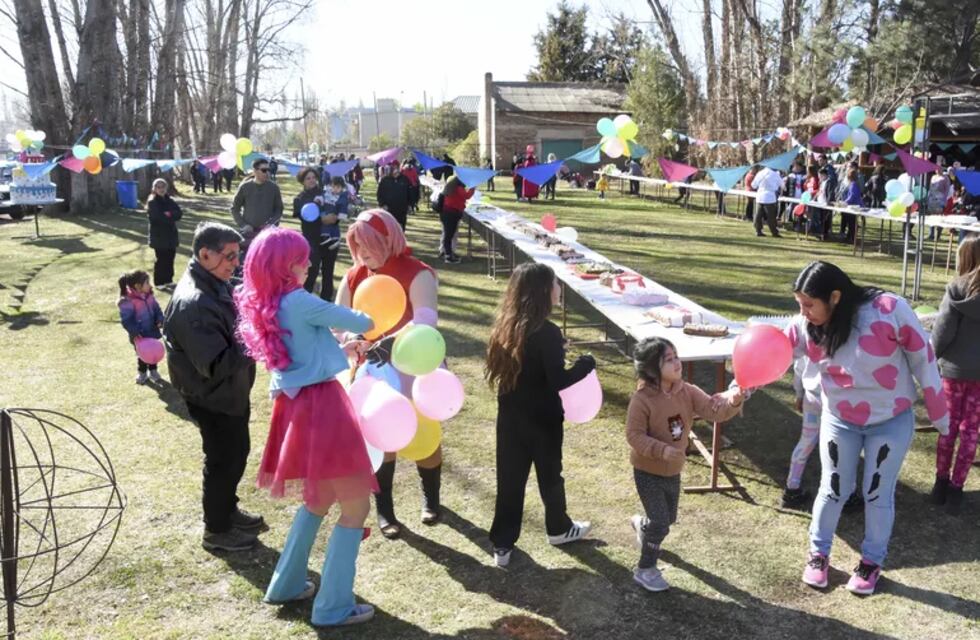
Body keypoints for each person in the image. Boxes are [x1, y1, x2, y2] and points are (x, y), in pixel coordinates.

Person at [235, 227, 376, 627]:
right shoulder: (300, 299)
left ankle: (286, 584)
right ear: (286, 266)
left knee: (318, 498)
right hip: (323, 407)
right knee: (356, 505)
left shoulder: (267, 303)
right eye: (302, 259)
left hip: (296, 407)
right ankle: (333, 607)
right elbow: (363, 319)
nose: (309, 263)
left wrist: (339, 348)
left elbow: (303, 351)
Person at [783, 261, 948, 595]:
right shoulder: (805, 325)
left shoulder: (888, 310)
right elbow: (772, 353)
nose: (803, 313)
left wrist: (940, 415)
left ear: (835, 297)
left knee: (877, 493)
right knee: (833, 488)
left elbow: (923, 358)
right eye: (799, 304)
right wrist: (740, 388)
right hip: (839, 419)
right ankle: (818, 554)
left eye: (809, 304)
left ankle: (871, 562)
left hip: (890, 421)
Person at [337, 210, 442, 540]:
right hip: (371, 371)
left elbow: (425, 319)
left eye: (368, 244)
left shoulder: (417, 272)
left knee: (424, 435)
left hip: (412, 365)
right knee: (381, 436)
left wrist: (389, 342)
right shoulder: (353, 276)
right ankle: (386, 509)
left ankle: (432, 498)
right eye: (356, 245)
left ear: (388, 239)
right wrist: (351, 338)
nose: (362, 252)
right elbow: (338, 321)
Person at [485, 262, 596, 567]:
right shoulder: (546, 331)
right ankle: (558, 528)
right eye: (556, 284)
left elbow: (532, 363)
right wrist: (586, 364)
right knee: (550, 476)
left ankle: (502, 544)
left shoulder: (507, 327)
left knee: (510, 479)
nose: (559, 289)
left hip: (510, 419)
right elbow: (558, 380)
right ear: (544, 291)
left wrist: (556, 350)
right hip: (543, 421)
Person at [163, 221, 261, 552]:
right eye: (230, 256)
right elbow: (216, 364)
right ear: (205, 254)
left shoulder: (214, 282)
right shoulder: (194, 303)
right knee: (223, 460)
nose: (236, 263)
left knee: (237, 452)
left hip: (230, 394)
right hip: (212, 397)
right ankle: (217, 530)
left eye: (238, 255)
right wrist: (257, 340)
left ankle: (227, 510)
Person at [626, 337, 745, 591]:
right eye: (668, 359)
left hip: (673, 471)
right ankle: (645, 570)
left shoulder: (687, 391)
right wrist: (662, 450)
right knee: (661, 523)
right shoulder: (642, 399)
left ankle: (643, 527)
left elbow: (713, 410)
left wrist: (734, 401)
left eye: (676, 356)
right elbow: (634, 436)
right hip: (647, 471)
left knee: (667, 519)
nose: (677, 362)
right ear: (651, 368)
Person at [930, 236, 980, 515]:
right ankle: (956, 489)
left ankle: (940, 483)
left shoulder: (956, 288)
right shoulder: (959, 289)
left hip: (952, 371)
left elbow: (942, 331)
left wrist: (929, 359)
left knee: (947, 427)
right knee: (970, 432)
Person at [293, 167, 338, 301]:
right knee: (311, 271)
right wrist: (322, 220)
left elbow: (335, 211)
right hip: (311, 240)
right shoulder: (299, 199)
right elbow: (306, 220)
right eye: (308, 178)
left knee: (328, 273)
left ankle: (326, 302)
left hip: (329, 239)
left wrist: (335, 217)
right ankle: (305, 301)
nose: (312, 180)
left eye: (314, 177)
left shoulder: (326, 194)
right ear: (302, 181)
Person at [118, 269, 165, 385]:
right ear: (138, 286)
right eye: (147, 283)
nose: (150, 285)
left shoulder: (149, 296)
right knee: (142, 355)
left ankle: (153, 371)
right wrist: (135, 332)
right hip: (139, 335)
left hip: (151, 330)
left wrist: (160, 319)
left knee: (153, 351)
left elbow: (157, 309)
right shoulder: (127, 300)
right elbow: (126, 320)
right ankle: (142, 372)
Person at [231, 158, 283, 245]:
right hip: (248, 234)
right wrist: (243, 225)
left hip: (268, 234)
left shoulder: (274, 188)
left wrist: (271, 224)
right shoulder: (245, 187)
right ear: (255, 171)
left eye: (269, 170)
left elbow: (279, 209)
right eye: (264, 170)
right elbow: (234, 209)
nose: (267, 173)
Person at [146, 178, 183, 290]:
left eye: (163, 187)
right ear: (154, 189)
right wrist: (168, 216)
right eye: (158, 187)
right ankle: (159, 282)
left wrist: (169, 214)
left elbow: (179, 213)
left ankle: (168, 280)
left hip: (171, 235)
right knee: (161, 259)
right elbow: (157, 217)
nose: (161, 189)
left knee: (170, 258)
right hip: (159, 236)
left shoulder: (170, 200)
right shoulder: (152, 202)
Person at [440, 175, 474, 264]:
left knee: (448, 235)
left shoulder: (450, 187)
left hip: (447, 213)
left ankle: (447, 252)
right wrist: (473, 187)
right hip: (451, 213)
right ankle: (448, 256)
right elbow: (467, 196)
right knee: (449, 236)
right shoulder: (458, 188)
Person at [376, 161, 411, 230]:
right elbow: (379, 194)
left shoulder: (404, 179)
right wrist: (382, 204)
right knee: (389, 229)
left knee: (400, 229)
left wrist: (409, 204)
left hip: (401, 209)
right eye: (393, 168)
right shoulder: (385, 180)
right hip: (388, 209)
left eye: (396, 167)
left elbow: (409, 193)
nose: (395, 170)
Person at [751, 165, 783, 238]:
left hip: (760, 196)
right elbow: (782, 185)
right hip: (770, 197)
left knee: (758, 215)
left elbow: (753, 185)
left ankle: (758, 230)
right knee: (771, 216)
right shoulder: (775, 174)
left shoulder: (760, 173)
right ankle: (774, 232)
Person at [841, 166, 864, 242]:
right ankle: (850, 236)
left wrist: (845, 202)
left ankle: (852, 238)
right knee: (851, 222)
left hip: (854, 206)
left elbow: (852, 196)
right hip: (854, 205)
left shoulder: (853, 184)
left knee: (852, 223)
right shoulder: (854, 184)